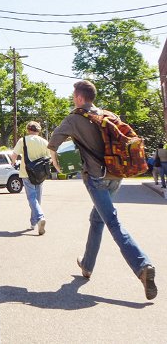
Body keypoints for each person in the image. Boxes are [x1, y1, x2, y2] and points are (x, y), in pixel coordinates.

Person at [48, 80, 157, 300]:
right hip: (116, 176)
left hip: (96, 178)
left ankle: (142, 266)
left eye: (73, 97)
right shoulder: (109, 115)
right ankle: (87, 265)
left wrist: (56, 163)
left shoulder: (75, 117)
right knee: (97, 219)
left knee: (113, 223)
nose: (73, 100)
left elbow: (53, 143)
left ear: (79, 98)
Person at [11, 121, 50, 235]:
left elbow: (14, 155)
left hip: (26, 173)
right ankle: (34, 222)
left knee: (32, 198)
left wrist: (13, 163)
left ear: (28, 130)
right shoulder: (44, 141)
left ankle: (40, 217)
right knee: (37, 199)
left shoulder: (23, 140)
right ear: (38, 130)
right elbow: (49, 157)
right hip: (41, 174)